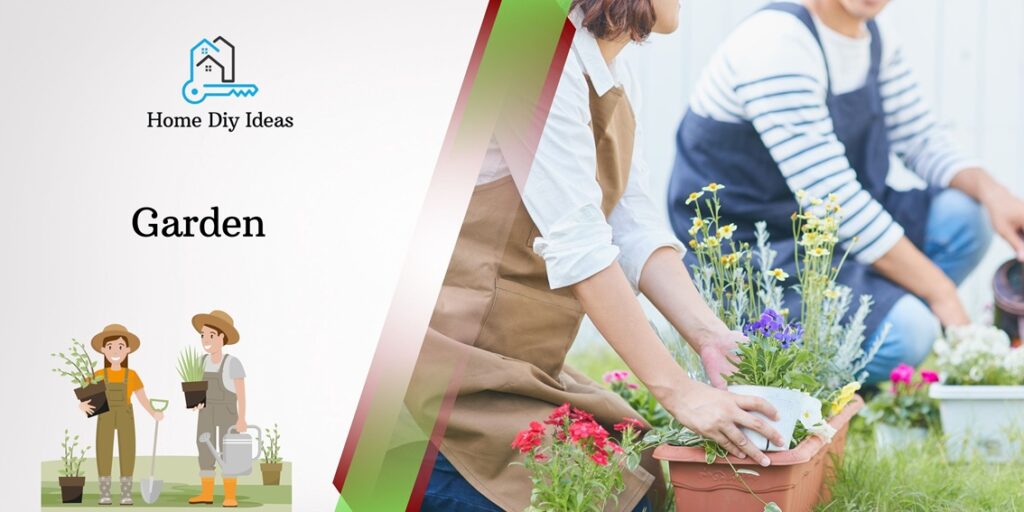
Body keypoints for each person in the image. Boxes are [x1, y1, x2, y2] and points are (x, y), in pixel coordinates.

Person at [412, 1, 785, 511]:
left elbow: (631, 223)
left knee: (648, 469)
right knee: (613, 500)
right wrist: (680, 392)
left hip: (514, 367)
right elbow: (581, 245)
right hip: (437, 379)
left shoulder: (604, 62)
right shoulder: (531, 50)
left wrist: (709, 335)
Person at [668, 0, 1024, 384]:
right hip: (757, 253)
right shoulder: (775, 43)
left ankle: (864, 349)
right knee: (909, 329)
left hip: (828, 235)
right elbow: (832, 198)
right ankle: (806, 387)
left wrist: (994, 193)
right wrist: (942, 296)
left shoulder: (874, 37)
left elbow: (922, 139)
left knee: (966, 216)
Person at [80, 324, 165, 506]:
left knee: (127, 450)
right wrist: (82, 405)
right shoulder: (98, 375)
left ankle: (126, 493)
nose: (115, 351)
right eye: (110, 347)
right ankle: (105, 493)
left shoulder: (132, 375)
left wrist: (153, 413)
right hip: (106, 416)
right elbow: (85, 394)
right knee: (104, 450)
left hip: (126, 415)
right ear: (103, 350)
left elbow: (142, 398)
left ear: (127, 350)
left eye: (120, 347)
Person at [187, 310, 248, 508]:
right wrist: (196, 403)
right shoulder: (201, 362)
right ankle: (207, 493)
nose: (206, 340)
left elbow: (240, 393)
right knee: (204, 449)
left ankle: (230, 495)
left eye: (211, 335)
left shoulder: (232, 363)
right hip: (206, 413)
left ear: (222, 337)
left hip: (227, 413)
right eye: (203, 335)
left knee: (228, 451)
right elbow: (197, 389)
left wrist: (242, 418)